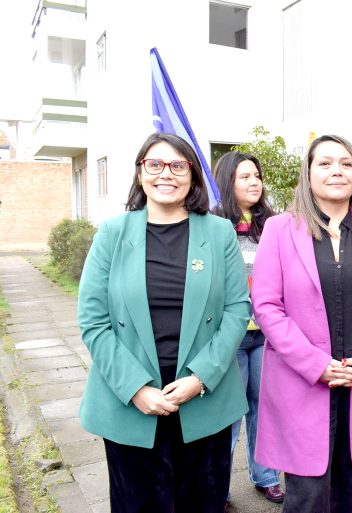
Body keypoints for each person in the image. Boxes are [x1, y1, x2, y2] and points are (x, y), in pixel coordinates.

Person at [77, 132, 250, 513]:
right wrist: (135, 387)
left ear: (192, 175)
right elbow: (93, 320)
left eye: (178, 165)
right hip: (131, 403)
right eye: (154, 164)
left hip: (203, 399)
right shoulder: (112, 234)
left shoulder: (219, 233)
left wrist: (200, 378)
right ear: (141, 173)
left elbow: (238, 310)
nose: (165, 174)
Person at [251, 134, 352, 513]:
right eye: (325, 163)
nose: (337, 170)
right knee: (306, 499)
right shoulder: (279, 230)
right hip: (303, 386)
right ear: (308, 174)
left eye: (346, 163)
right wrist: (315, 364)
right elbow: (267, 306)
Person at [212, 151, 285, 504]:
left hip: (265, 334)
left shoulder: (272, 225)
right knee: (230, 412)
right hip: (232, 335)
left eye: (256, 176)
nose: (254, 182)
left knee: (264, 405)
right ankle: (218, 486)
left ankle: (266, 475)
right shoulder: (213, 226)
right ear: (228, 182)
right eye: (245, 177)